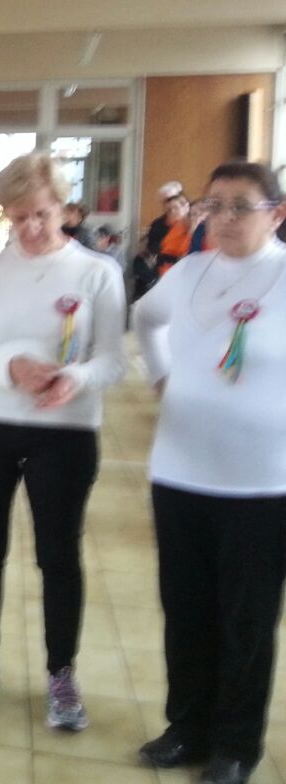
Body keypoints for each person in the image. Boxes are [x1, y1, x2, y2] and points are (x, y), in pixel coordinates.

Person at [0, 152, 126, 731]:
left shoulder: (97, 273)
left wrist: (75, 379)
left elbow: (112, 360)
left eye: (41, 214)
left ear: (65, 209)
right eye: (18, 216)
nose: (30, 227)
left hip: (64, 432)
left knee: (58, 552)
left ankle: (61, 672)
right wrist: (9, 369)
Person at [134, 163, 286, 784]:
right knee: (185, 607)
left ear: (276, 214)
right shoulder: (190, 270)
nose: (222, 218)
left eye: (240, 206)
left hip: (262, 483)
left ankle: (236, 744)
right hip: (179, 471)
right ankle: (186, 727)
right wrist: (161, 377)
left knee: (246, 620)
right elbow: (145, 319)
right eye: (214, 205)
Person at [157, 192, 193, 277]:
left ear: (186, 207)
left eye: (176, 208)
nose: (172, 212)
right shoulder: (175, 226)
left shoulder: (194, 227)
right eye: (169, 210)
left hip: (181, 274)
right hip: (166, 274)